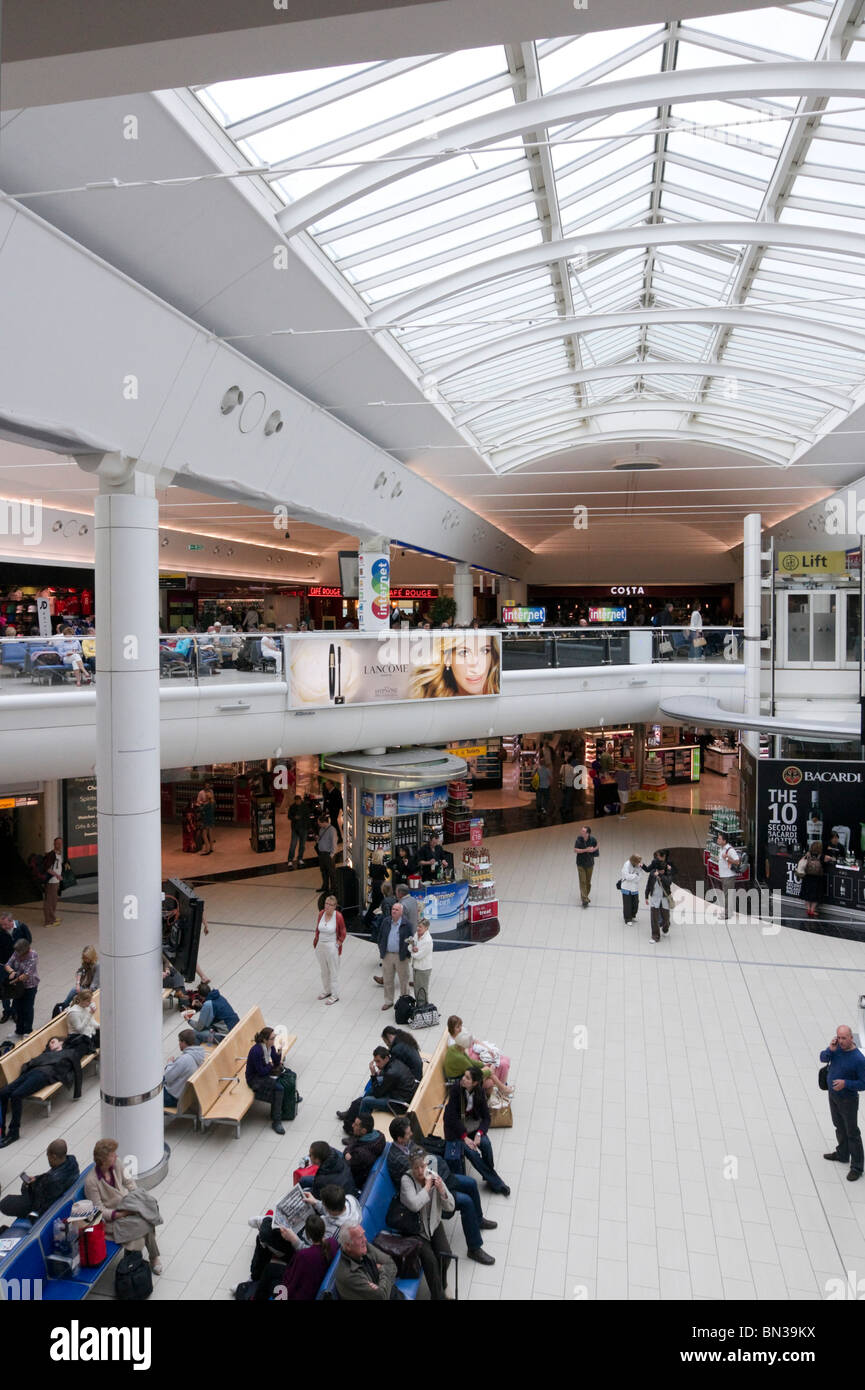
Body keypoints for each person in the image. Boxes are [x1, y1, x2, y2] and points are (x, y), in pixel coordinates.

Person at [388, 1115, 496, 1266]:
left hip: (436, 1181)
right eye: (408, 1133)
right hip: (425, 1199)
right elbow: (423, 1176)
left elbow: (427, 1161)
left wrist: (436, 1175)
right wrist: (438, 1181)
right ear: (400, 1138)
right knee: (466, 1202)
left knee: (470, 1184)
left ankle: (478, 1220)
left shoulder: (407, 1145)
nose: (411, 1134)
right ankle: (474, 1247)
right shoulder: (397, 1159)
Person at [84, 1138, 162, 1272]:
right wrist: (119, 1214)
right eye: (113, 1154)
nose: (116, 1156)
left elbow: (129, 1182)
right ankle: (154, 1257)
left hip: (127, 1206)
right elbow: (99, 1210)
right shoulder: (91, 1182)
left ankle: (152, 1257)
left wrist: (136, 1199)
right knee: (146, 1224)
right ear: (103, 1159)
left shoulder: (117, 1164)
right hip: (111, 1220)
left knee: (147, 1211)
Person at [0, 1035, 88, 1147]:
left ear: (61, 1043)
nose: (50, 1044)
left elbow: (77, 1070)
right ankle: (1, 1129)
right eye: (49, 1043)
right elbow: (30, 1063)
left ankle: (14, 1132)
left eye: (53, 1041)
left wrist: (77, 1093)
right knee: (3, 1093)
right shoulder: (45, 1054)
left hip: (44, 1075)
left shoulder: (69, 1053)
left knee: (16, 1095)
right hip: (31, 1073)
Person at [443, 1067, 511, 1196]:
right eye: (464, 1076)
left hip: (472, 1126)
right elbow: (451, 1118)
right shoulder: (456, 1090)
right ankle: (497, 1183)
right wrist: (464, 1137)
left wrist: (479, 1134)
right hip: (456, 1130)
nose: (463, 1078)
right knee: (472, 1152)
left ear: (474, 1083)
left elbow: (486, 1117)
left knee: (486, 1144)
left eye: (467, 1078)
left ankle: (489, 1177)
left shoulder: (479, 1092)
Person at [399, 1148, 455, 1300]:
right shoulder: (406, 1180)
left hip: (434, 1224)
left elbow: (450, 1206)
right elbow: (415, 1204)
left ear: (426, 1164)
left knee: (446, 1255)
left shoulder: (434, 1176)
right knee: (431, 1263)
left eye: (422, 1166)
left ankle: (443, 1284)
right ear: (411, 1167)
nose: (419, 1171)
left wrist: (442, 1190)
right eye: (415, 1167)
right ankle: (437, 1296)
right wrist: (428, 1187)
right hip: (415, 1230)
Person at [820, 1024, 865, 1181]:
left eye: (844, 1038)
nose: (841, 1041)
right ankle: (843, 1154)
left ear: (851, 1038)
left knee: (852, 1132)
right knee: (839, 1126)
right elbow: (822, 1058)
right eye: (838, 1037)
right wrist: (830, 1050)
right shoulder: (836, 1048)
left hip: (848, 1100)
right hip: (833, 1096)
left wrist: (846, 1083)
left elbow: (863, 1083)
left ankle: (857, 1166)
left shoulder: (859, 1059)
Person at [336, 1045, 417, 1131]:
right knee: (373, 1087)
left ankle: (360, 1130)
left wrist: (373, 1074)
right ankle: (353, 1111)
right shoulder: (395, 1061)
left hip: (398, 1104)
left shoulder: (391, 1073)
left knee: (366, 1101)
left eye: (378, 1061)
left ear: (386, 1058)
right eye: (375, 1062)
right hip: (404, 1093)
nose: (377, 1065)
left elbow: (378, 1093)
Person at [0, 1137, 79, 1220]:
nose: (48, 1160)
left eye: (48, 1156)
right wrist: (37, 1179)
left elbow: (39, 1204)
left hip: (40, 1207)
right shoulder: (71, 1161)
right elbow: (50, 1176)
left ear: (54, 1157)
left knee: (5, 1203)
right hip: (55, 1195)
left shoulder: (52, 1180)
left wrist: (27, 1188)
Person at [409, 632, 500, 699]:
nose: (476, 664)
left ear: (492, 655)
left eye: (484, 651)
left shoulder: (501, 693)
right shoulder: (431, 700)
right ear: (447, 658)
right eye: (464, 653)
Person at [245, 1026, 291, 1135]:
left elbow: (275, 1061)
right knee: (278, 1089)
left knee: (288, 1075)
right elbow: (261, 1071)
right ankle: (276, 1121)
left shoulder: (270, 1047)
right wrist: (270, 1066)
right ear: (264, 1039)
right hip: (254, 1079)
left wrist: (278, 1052)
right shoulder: (256, 1051)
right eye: (272, 1038)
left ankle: (289, 1098)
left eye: (275, 1038)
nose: (274, 1040)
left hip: (264, 1072)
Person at [334, 1224, 398, 1301]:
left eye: (363, 1235)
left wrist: (380, 1287)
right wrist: (382, 1270)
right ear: (348, 1246)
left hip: (392, 1293)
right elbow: (381, 1297)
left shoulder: (363, 1247)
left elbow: (391, 1263)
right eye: (360, 1237)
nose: (365, 1239)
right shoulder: (349, 1275)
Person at [377, 901, 414, 1010]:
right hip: (387, 955)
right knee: (388, 980)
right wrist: (381, 949)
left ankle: (404, 1002)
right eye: (393, 909)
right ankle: (388, 1001)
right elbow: (380, 936)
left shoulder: (407, 925)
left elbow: (411, 941)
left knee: (403, 981)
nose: (393, 911)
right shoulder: (386, 921)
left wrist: (407, 955)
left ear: (401, 912)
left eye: (396, 910)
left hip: (401, 957)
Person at [313, 894, 346, 1004]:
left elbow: (343, 932)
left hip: (332, 946)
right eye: (326, 903)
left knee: (333, 971)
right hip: (320, 946)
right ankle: (327, 990)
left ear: (334, 906)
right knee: (324, 970)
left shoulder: (338, 916)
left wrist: (338, 944)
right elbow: (317, 929)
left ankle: (335, 994)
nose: (327, 906)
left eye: (330, 905)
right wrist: (316, 943)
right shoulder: (321, 914)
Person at [162, 1028, 207, 1108]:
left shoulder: (185, 1059)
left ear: (183, 1042)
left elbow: (168, 1078)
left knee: (152, 1089)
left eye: (179, 1041)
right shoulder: (199, 1055)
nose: (179, 1044)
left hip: (173, 1098)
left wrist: (169, 1063)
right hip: (186, 1097)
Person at [4, 939, 39, 1038]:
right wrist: (12, 972)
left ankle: (28, 1031)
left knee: (27, 1008)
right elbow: (7, 965)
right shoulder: (17, 952)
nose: (18, 956)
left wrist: (12, 981)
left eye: (20, 954)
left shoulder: (33, 955)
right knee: (18, 1008)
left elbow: (26, 975)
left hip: (29, 986)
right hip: (18, 987)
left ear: (27, 950)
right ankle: (18, 1031)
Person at [342, 1114, 386, 1190]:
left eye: (355, 1125)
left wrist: (346, 1152)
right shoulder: (380, 1136)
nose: (352, 1125)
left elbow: (347, 1163)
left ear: (363, 1131)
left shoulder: (360, 1154)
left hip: (354, 1178)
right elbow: (353, 1142)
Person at [59, 944, 99, 1009]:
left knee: (74, 991)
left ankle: (63, 1006)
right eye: (84, 958)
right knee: (75, 990)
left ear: (91, 957)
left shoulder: (97, 965)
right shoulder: (86, 962)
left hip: (92, 989)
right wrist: (77, 983)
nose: (85, 960)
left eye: (86, 958)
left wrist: (84, 991)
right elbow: (79, 971)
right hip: (85, 985)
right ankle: (64, 1006)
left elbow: (94, 984)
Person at [41, 836, 68, 927]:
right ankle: (48, 921)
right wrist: (57, 875)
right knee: (49, 901)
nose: (59, 845)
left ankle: (52, 917)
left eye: (61, 843)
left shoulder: (58, 854)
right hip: (51, 881)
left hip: (56, 881)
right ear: (54, 844)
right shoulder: (52, 854)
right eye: (57, 843)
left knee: (54, 900)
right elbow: (47, 868)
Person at [645, 857, 673, 943]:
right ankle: (655, 936)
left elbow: (668, 882)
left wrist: (660, 875)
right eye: (660, 871)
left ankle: (665, 929)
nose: (662, 872)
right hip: (655, 898)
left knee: (666, 918)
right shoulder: (652, 873)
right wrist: (646, 896)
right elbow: (649, 885)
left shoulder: (667, 873)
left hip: (664, 898)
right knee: (654, 918)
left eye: (663, 871)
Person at [715, 832, 741, 919]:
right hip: (724, 875)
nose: (718, 840)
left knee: (727, 895)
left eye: (719, 839)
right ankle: (729, 911)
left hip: (728, 876)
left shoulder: (730, 850)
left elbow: (737, 861)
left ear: (724, 841)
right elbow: (723, 859)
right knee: (727, 894)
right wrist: (720, 859)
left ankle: (727, 914)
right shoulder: (722, 848)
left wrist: (726, 857)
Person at [363, 849, 390, 928]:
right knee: (377, 904)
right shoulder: (382, 867)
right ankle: (370, 920)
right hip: (380, 885)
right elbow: (387, 875)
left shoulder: (371, 865)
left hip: (374, 884)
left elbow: (371, 875)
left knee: (374, 903)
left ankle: (368, 919)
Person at [575, 825, 599, 908]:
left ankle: (585, 896)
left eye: (583, 831)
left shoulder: (593, 840)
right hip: (580, 864)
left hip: (590, 864)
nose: (581, 832)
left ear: (588, 833)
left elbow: (597, 846)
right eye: (581, 831)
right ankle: (584, 899)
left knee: (588, 882)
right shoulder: (579, 839)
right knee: (582, 881)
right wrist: (586, 850)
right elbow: (575, 850)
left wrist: (593, 849)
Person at [410, 918, 433, 1002]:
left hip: (423, 969)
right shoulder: (417, 934)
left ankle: (423, 1009)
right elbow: (410, 946)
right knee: (416, 989)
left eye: (420, 927)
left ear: (426, 928)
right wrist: (413, 949)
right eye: (417, 926)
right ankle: (419, 1007)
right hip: (416, 966)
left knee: (422, 991)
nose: (418, 928)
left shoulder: (427, 940)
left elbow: (419, 956)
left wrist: (413, 951)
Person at [800, 840, 824, 920]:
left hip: (807, 877)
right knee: (816, 894)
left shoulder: (808, 855)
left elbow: (801, 862)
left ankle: (808, 909)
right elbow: (831, 859)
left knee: (807, 894)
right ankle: (812, 910)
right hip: (817, 878)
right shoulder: (822, 856)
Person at [287, 795, 311, 869]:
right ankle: (290, 860)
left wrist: (308, 827)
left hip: (303, 829)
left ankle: (300, 858)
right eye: (296, 801)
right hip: (295, 829)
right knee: (293, 845)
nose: (297, 802)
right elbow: (289, 816)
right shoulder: (292, 807)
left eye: (299, 801)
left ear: (301, 800)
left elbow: (308, 817)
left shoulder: (305, 807)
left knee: (302, 845)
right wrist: (294, 818)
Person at [316, 816, 338, 895]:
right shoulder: (322, 829)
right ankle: (325, 886)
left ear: (324, 822)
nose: (319, 825)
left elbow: (334, 843)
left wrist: (332, 854)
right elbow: (320, 840)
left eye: (319, 823)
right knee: (323, 871)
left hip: (328, 854)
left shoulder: (332, 830)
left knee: (331, 872)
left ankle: (333, 888)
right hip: (321, 853)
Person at [620, 854, 642, 922]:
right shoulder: (626, 865)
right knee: (627, 904)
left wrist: (634, 877)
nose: (639, 863)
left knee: (635, 903)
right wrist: (635, 875)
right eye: (638, 862)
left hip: (634, 887)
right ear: (633, 861)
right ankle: (627, 919)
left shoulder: (638, 866)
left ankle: (632, 915)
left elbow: (640, 876)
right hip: (626, 887)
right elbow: (627, 877)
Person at [196, 783, 216, 855]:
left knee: (204, 835)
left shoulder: (206, 805)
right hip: (211, 820)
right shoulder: (213, 803)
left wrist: (201, 805)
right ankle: (211, 848)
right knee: (210, 834)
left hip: (206, 820)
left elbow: (201, 810)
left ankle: (206, 849)